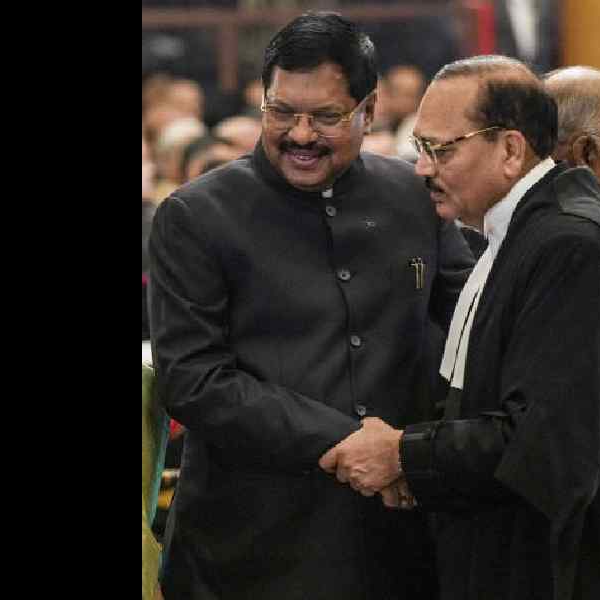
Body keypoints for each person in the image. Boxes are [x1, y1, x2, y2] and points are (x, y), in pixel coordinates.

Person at [148, 12, 475, 600]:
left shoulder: (412, 195)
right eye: (281, 112)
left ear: (368, 111)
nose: (300, 134)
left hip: (400, 539)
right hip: (249, 547)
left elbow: (468, 326)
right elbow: (194, 380)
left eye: (325, 117)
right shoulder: (195, 216)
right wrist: (347, 440)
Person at [319, 56, 600, 599]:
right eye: (421, 149)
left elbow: (545, 447)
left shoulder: (571, 244)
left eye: (442, 149)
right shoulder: (518, 231)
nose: (423, 169)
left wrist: (404, 454)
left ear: (510, 150)